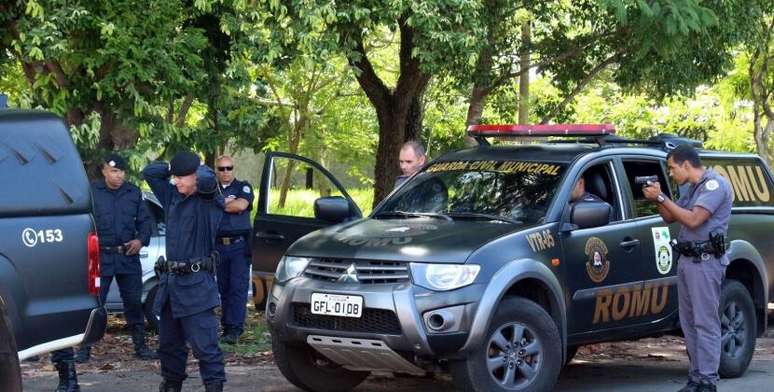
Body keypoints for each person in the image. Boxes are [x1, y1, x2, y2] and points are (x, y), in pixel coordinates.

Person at [643, 144, 732, 392]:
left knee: (705, 322)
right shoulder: (693, 188)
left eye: (672, 168)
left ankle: (708, 380)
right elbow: (671, 217)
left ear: (686, 165)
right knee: (690, 323)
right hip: (687, 261)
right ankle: (696, 378)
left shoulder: (714, 185)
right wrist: (656, 197)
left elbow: (693, 220)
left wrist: (662, 197)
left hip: (705, 262)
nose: (671, 174)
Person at [143, 151, 226, 392]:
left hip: (197, 288)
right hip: (170, 288)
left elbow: (208, 178)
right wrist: (174, 167)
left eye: (182, 177)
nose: (175, 181)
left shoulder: (209, 201)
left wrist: (194, 167)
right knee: (169, 347)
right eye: (174, 177)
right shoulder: (172, 197)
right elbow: (150, 172)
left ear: (195, 176)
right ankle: (171, 386)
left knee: (205, 348)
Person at [76, 153, 157, 363]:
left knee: (133, 303)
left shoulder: (133, 192)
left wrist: (140, 240)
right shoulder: (92, 193)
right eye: (113, 171)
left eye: (121, 171)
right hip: (101, 257)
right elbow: (83, 222)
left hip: (127, 257)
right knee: (95, 304)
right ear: (104, 171)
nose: (118, 175)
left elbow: (145, 222)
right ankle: (84, 350)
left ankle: (141, 347)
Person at [213, 155, 254, 344]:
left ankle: (235, 329)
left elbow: (240, 205)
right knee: (224, 288)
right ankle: (227, 327)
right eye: (221, 169)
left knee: (238, 288)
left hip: (239, 245)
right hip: (219, 246)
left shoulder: (243, 187)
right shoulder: (212, 189)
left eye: (229, 168)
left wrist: (219, 204)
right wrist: (228, 204)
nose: (225, 172)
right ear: (217, 171)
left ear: (233, 168)